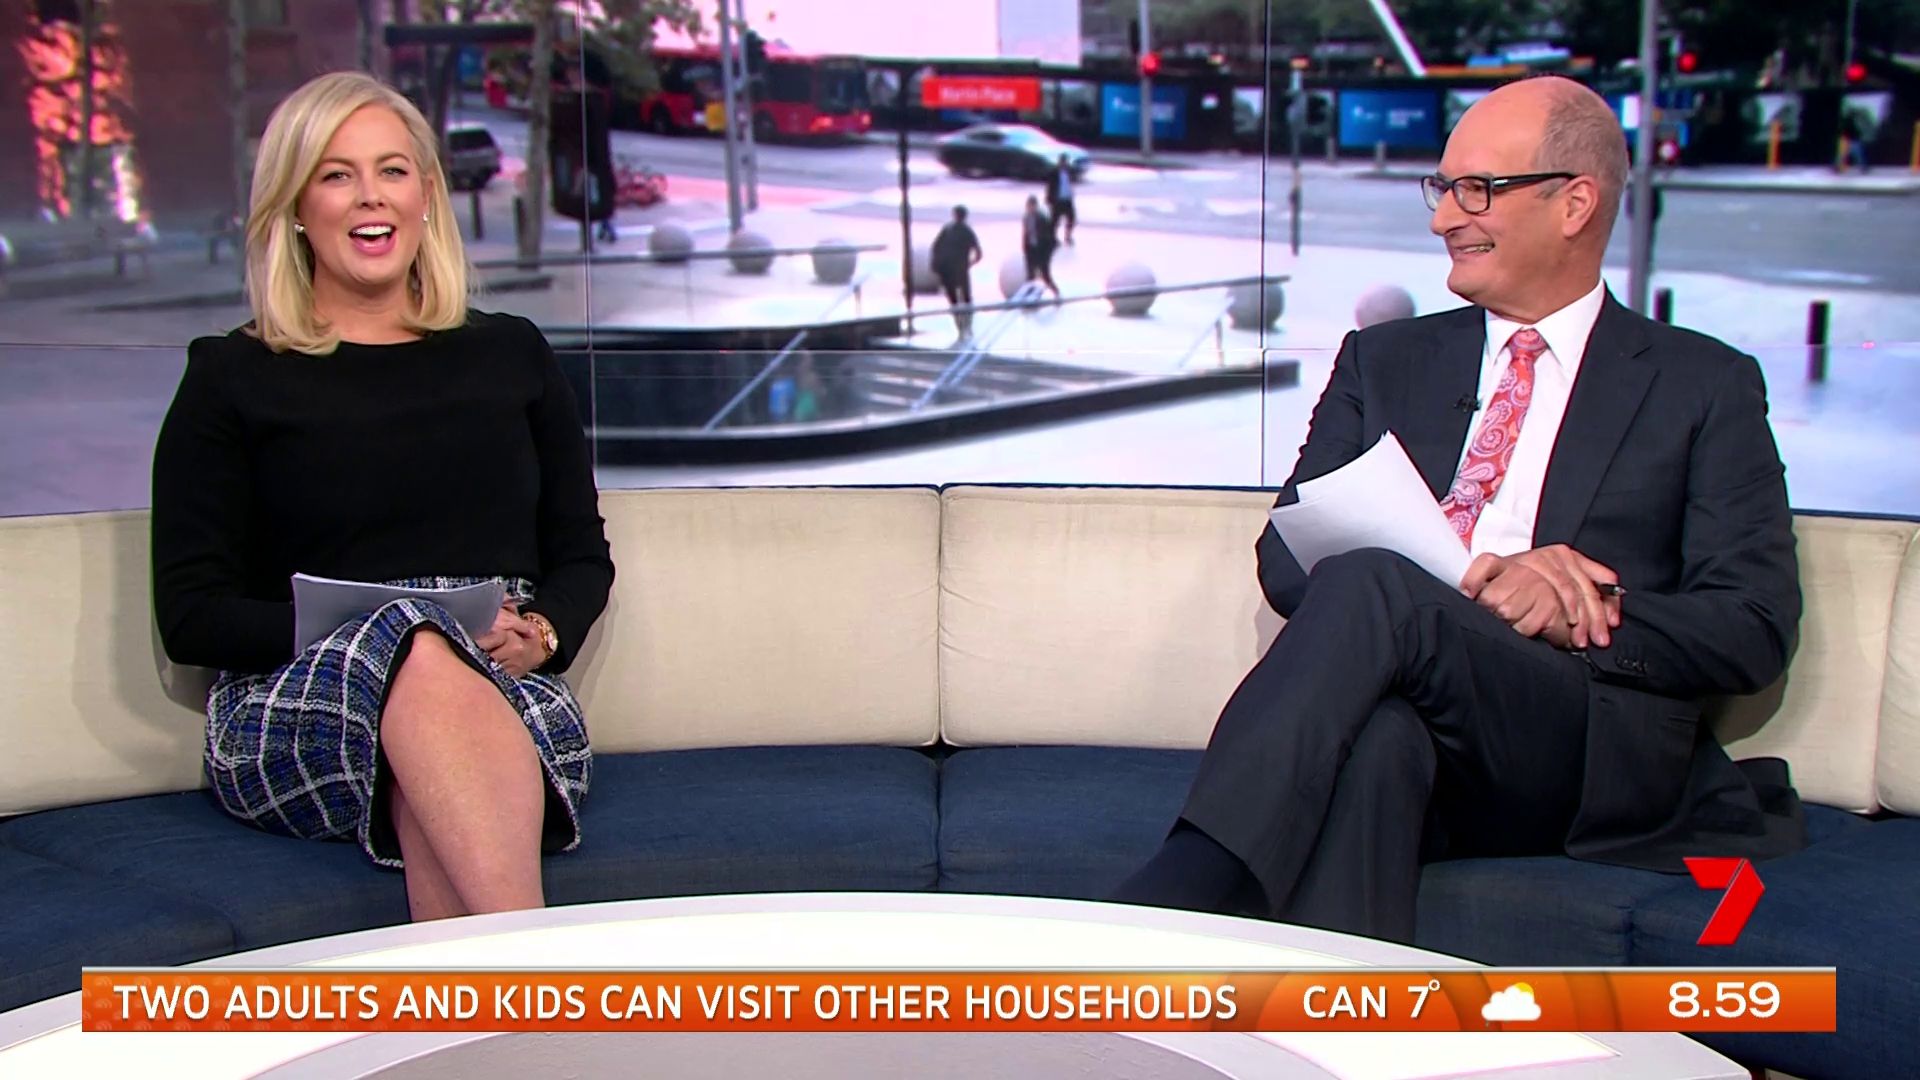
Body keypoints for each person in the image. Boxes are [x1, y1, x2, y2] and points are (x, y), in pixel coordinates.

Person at [1113, 76, 1806, 942]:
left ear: (1574, 203)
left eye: (1478, 189)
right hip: (1422, 720)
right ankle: (1344, 1011)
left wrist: (1578, 606)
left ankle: (1176, 898)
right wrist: (1445, 587)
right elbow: (1286, 561)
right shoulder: (1382, 360)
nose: (1445, 218)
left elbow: (1753, 626)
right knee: (1380, 744)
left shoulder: (1701, 383)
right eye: (1441, 189)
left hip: (1574, 738)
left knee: (1375, 582)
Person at [150, 72, 615, 923]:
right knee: (419, 646)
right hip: (296, 702)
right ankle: (539, 972)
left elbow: (581, 555)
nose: (371, 196)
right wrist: (391, 628)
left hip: (501, 691)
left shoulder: (511, 354)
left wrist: (543, 633)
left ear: (426, 195)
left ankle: (497, 1002)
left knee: (427, 756)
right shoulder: (229, 377)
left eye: (392, 170)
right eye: (337, 175)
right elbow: (191, 615)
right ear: (296, 207)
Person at [931, 204, 983, 341]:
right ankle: (967, 327)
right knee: (966, 298)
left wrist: (936, 265)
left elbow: (935, 247)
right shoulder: (967, 231)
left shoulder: (948, 230)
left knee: (953, 299)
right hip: (961, 269)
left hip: (948, 270)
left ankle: (960, 327)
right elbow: (978, 253)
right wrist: (969, 263)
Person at [1021, 195, 1062, 300]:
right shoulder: (1026, 218)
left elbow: (1048, 234)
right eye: (1028, 206)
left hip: (1042, 250)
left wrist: (1048, 249)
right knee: (1030, 274)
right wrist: (1025, 248)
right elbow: (1026, 234)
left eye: (1032, 206)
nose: (1030, 208)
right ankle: (1031, 295)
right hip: (1031, 249)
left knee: (1045, 274)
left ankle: (1056, 292)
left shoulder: (1041, 218)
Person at [1045, 154, 1077, 245]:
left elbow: (1069, 184)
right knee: (1055, 220)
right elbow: (1050, 187)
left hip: (1067, 199)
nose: (1064, 164)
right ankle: (1053, 238)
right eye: (1062, 162)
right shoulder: (1054, 173)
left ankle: (1068, 236)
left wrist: (1071, 194)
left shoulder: (1069, 172)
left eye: (1065, 162)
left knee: (1071, 218)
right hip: (1057, 200)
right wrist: (1049, 199)